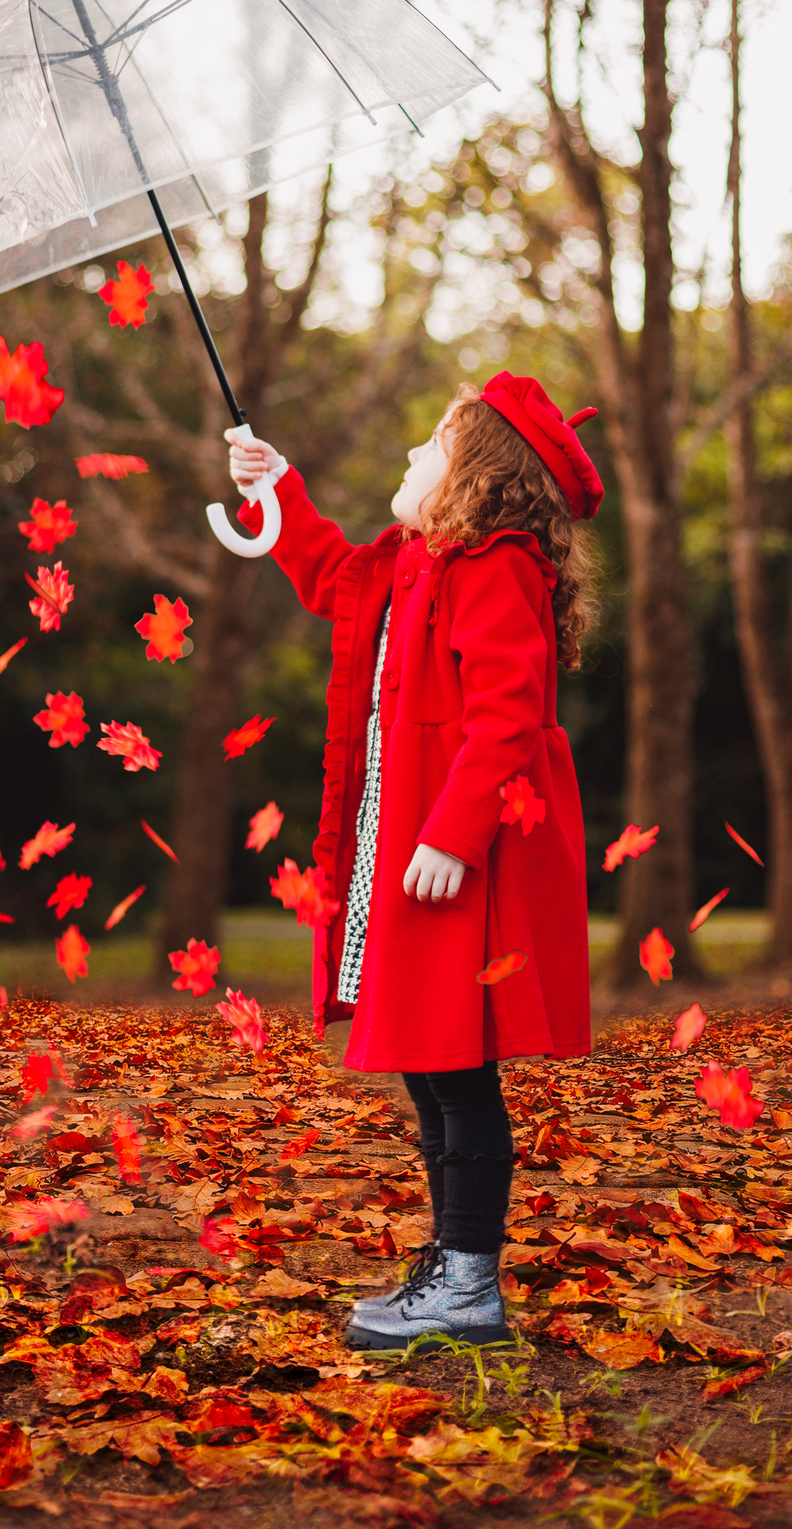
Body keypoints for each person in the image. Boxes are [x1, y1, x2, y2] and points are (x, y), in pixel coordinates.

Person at [226, 372, 601, 1350]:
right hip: (407, 839)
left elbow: (507, 713)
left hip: (459, 852)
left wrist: (452, 833)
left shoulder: (496, 564)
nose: (408, 454)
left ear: (478, 476)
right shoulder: (412, 562)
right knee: (431, 1068)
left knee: (456, 1065)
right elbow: (329, 576)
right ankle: (451, 1266)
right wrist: (276, 484)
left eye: (430, 443)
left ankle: (469, 1284)